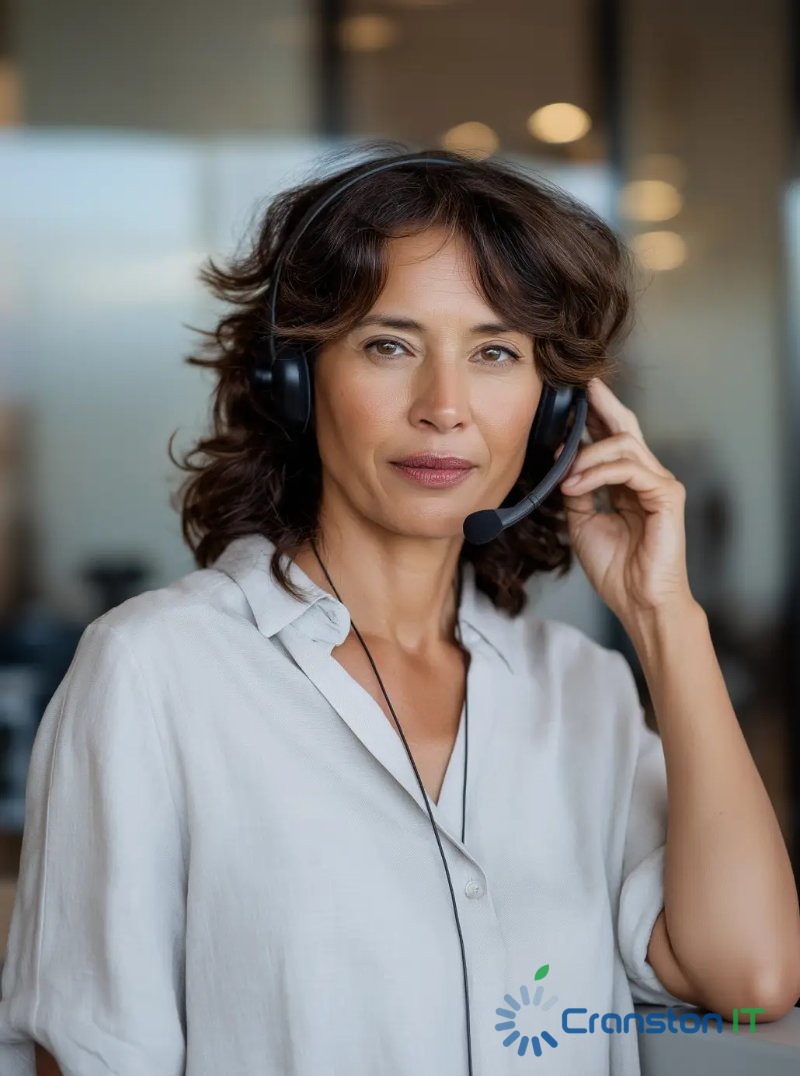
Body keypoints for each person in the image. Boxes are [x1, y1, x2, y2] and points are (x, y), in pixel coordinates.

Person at [1, 142, 798, 1076]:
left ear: (553, 414)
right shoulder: (157, 670)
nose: (444, 406)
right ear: (295, 382)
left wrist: (667, 620)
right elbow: (91, 1055)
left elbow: (751, 978)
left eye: (495, 352)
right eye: (390, 345)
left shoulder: (581, 689)